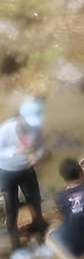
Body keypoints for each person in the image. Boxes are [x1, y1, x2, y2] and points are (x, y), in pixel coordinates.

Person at [0, 97, 48, 250]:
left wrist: (38, 156)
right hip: (7, 172)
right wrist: (14, 152)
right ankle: (14, 241)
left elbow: (41, 146)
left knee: (35, 201)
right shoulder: (6, 129)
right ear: (20, 116)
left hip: (27, 169)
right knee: (11, 207)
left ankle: (40, 233)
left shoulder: (36, 128)